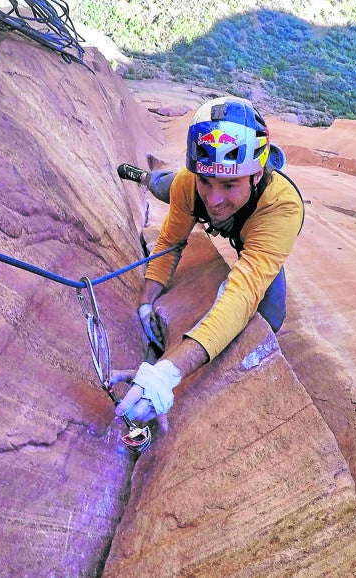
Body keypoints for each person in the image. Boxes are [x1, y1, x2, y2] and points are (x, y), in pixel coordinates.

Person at [115, 96, 304, 425]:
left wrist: (166, 375)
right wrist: (146, 303)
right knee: (165, 184)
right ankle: (143, 176)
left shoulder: (282, 208)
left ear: (257, 175)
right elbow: (170, 243)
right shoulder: (191, 185)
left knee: (271, 312)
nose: (215, 199)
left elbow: (241, 293)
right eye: (207, 181)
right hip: (182, 187)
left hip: (255, 233)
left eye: (229, 184)